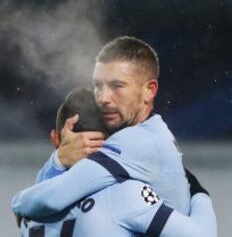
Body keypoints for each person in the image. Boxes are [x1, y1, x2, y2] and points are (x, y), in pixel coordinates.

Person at [12, 36, 192, 218]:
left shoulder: (137, 143)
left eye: (117, 86)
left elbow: (46, 201)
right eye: (98, 86)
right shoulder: (150, 132)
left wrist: (57, 163)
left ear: (149, 90)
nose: (103, 98)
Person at [19, 88, 216, 236]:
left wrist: (57, 162)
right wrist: (198, 191)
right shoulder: (126, 196)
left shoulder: (30, 211)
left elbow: (49, 192)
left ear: (55, 138)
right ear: (113, 141)